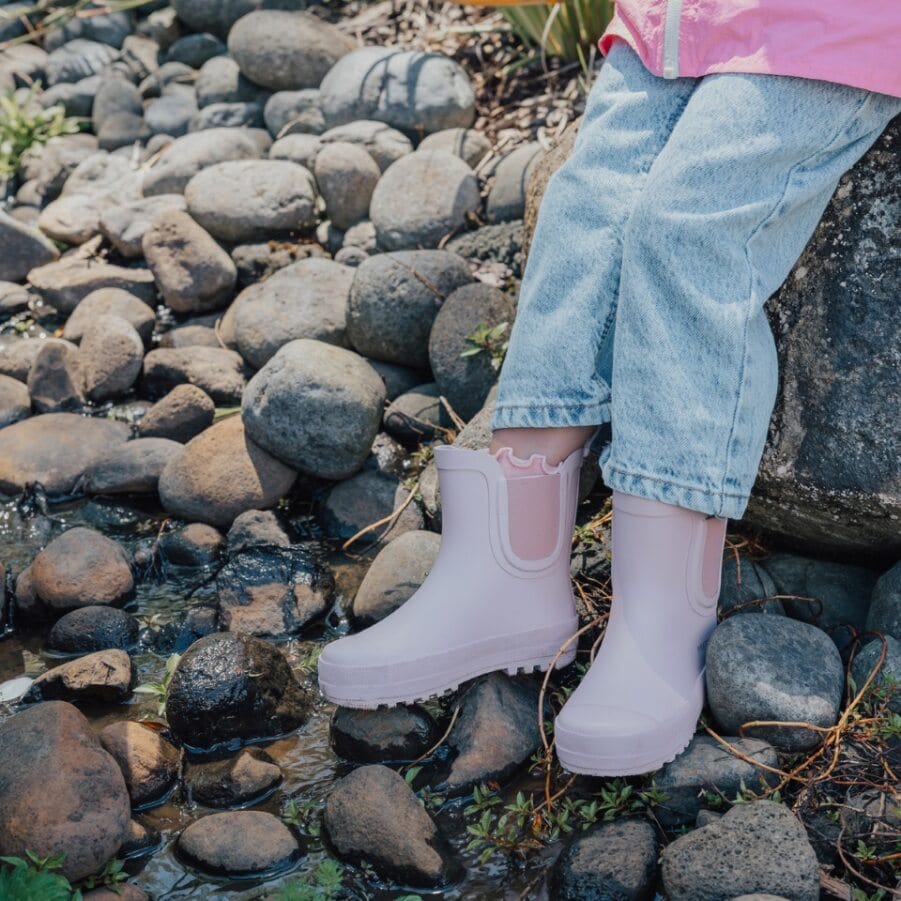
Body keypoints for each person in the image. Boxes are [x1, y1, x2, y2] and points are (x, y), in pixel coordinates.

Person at [318, 0, 901, 776]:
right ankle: (503, 573)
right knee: (583, 207)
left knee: (688, 227)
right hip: (678, 19)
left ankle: (660, 618)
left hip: (830, 24)